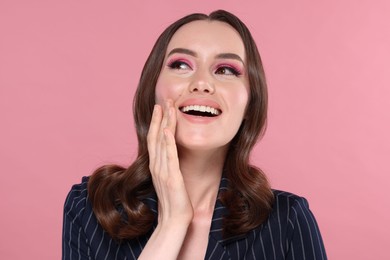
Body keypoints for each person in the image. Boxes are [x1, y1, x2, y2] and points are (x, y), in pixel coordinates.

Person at [62, 10, 327, 260]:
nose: (201, 83)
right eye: (180, 65)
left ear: (249, 105)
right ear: (152, 89)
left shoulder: (287, 221)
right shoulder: (90, 207)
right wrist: (172, 223)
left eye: (226, 70)